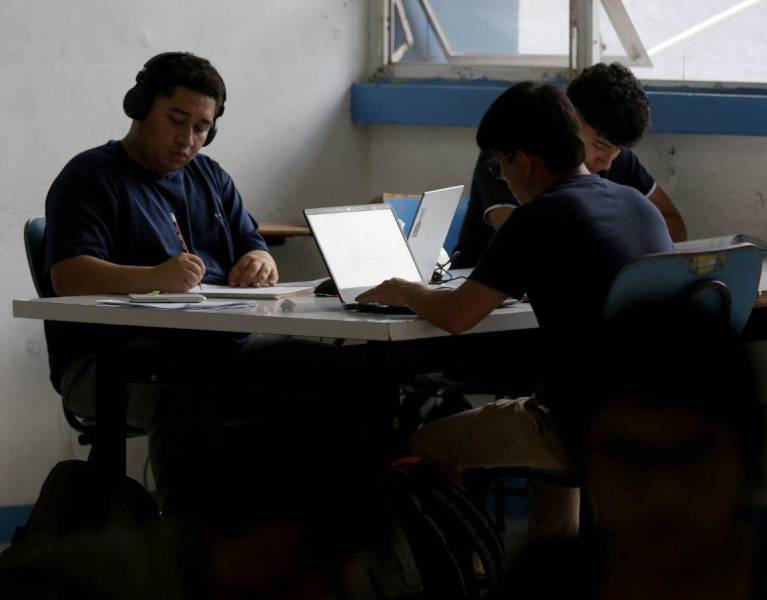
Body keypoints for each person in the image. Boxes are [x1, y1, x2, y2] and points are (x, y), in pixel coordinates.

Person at [43, 52, 372, 517]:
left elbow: (252, 245)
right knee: (187, 395)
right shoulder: (90, 177)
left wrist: (259, 261)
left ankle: (327, 538)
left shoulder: (210, 177)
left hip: (217, 348)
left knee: (338, 372)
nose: (188, 139)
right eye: (176, 120)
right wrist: (154, 280)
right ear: (140, 107)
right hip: (111, 361)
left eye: (202, 127)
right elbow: (68, 276)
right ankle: (191, 554)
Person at [356, 81, 674, 537]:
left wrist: (404, 290)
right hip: (650, 421)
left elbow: (457, 315)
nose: (502, 178)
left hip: (571, 429)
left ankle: (467, 574)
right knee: (549, 419)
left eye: (501, 165)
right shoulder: (636, 206)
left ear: (524, 160)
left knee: (422, 446)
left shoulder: (537, 218)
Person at [501, 306, 767, 600]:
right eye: (630, 459)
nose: (662, 492)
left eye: (692, 455)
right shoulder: (540, 583)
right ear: (583, 461)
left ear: (748, 456)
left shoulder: (546, 581)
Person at [453, 62, 686, 269]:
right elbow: (521, 243)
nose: (606, 164)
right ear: (571, 116)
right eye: (600, 145)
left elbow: (674, 226)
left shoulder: (616, 162)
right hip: (479, 288)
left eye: (617, 151)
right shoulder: (513, 154)